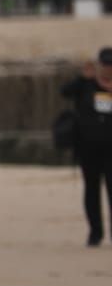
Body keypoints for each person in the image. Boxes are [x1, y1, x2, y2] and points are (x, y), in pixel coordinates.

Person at [60, 48, 112, 247]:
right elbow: (64, 92)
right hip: (88, 147)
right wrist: (82, 78)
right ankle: (95, 232)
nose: (109, 69)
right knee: (92, 190)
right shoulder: (86, 84)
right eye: (106, 65)